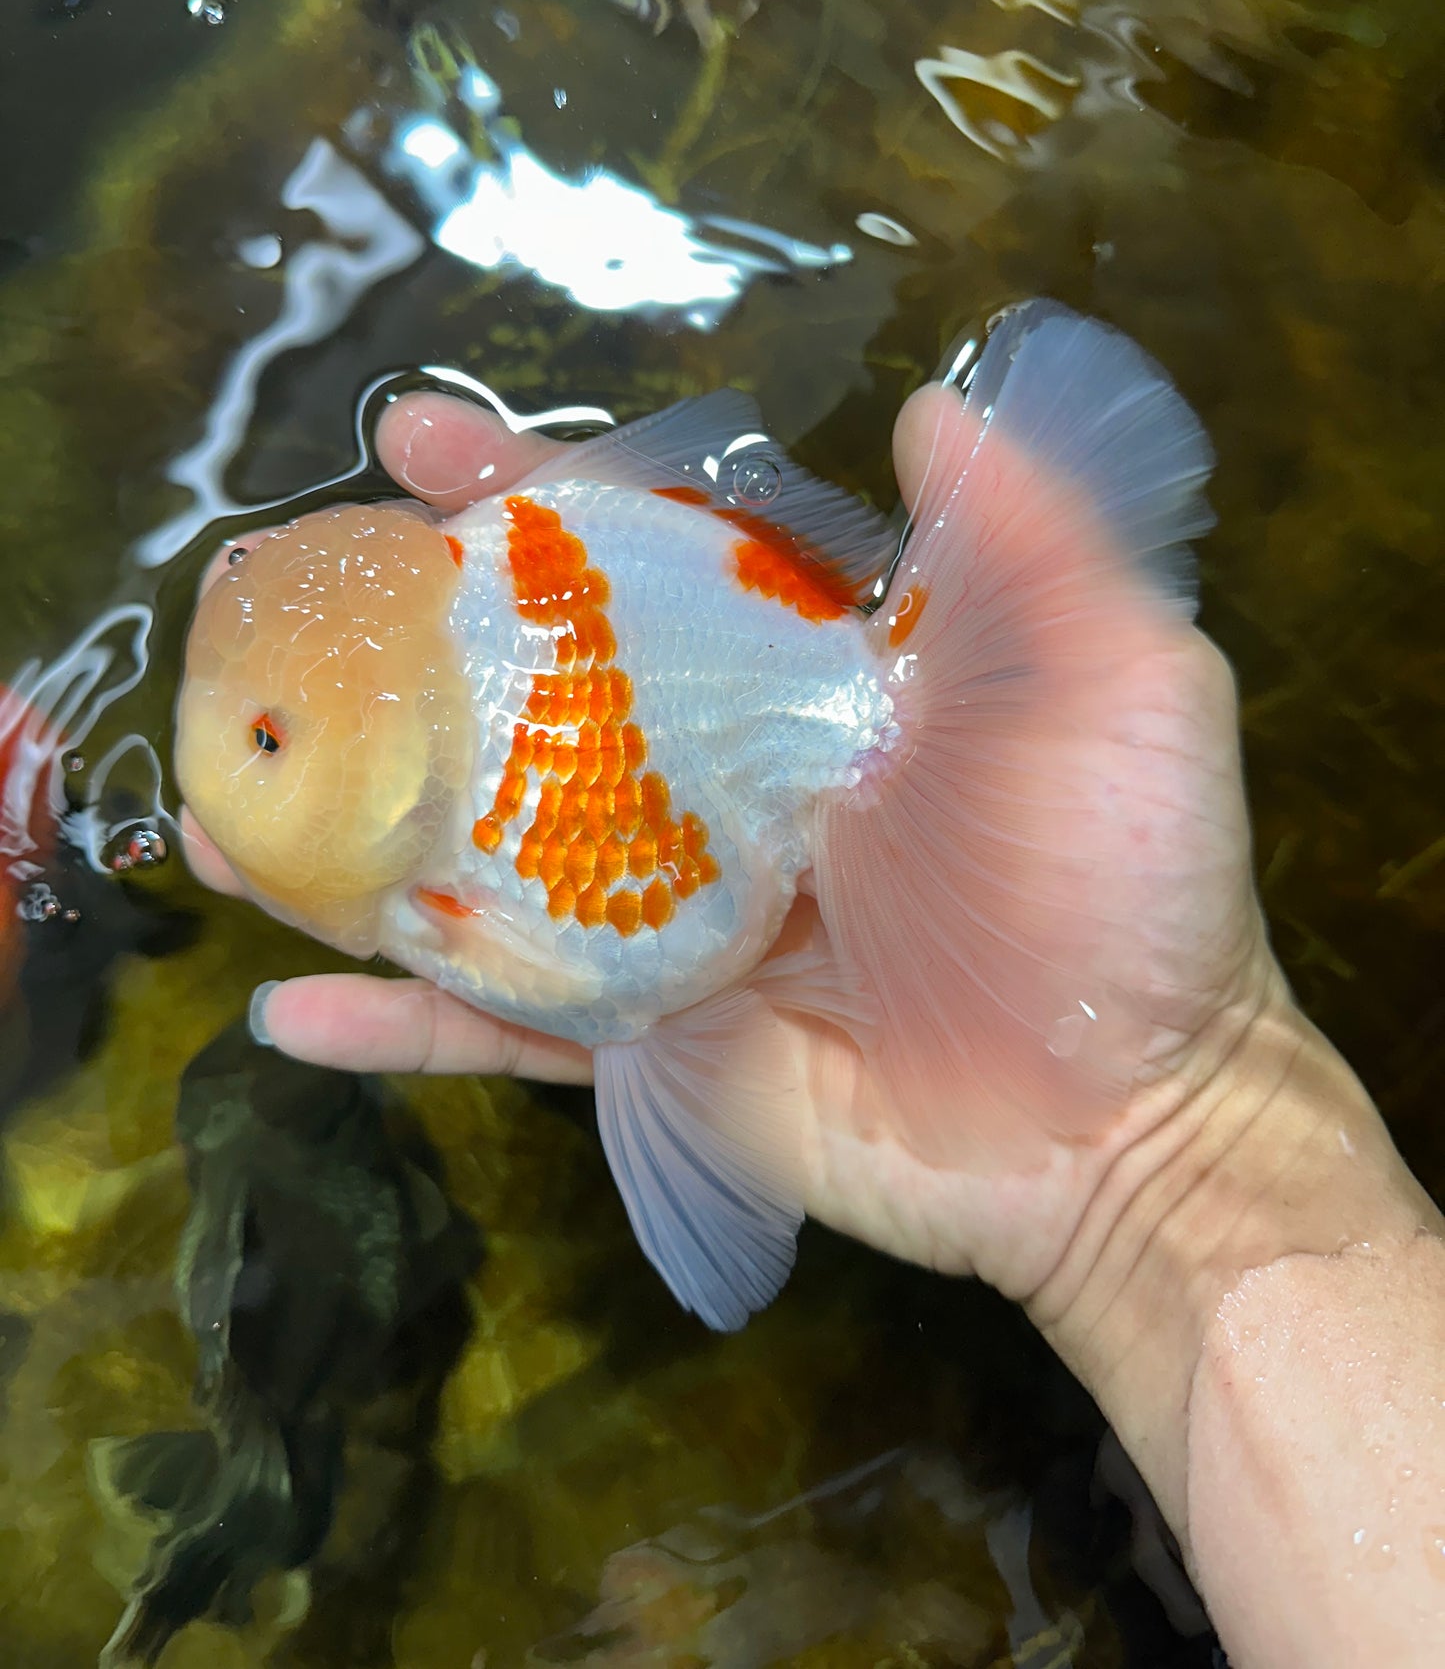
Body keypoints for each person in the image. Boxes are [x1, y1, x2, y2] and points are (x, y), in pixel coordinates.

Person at [189, 384, 1445, 1669]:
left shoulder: (450, 868)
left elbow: (589, 972)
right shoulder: (435, 745)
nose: (224, 756)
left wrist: (1171, 1137)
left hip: (733, 693)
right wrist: (1182, 1158)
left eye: (266, 738)